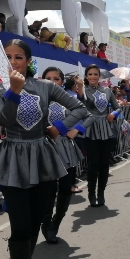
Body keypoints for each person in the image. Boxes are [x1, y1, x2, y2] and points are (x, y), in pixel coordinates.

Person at [0, 39, 89, 259]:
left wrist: (58, 128)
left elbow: (80, 109)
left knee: (38, 220)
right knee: (21, 226)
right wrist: (13, 92)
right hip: (13, 159)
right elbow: (4, 120)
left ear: (28, 61)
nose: (14, 62)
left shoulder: (46, 87)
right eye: (9, 58)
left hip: (42, 159)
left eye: (19, 57)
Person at [40, 67, 86, 243]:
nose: (53, 82)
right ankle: (45, 224)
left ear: (61, 82)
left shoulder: (70, 100)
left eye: (56, 78)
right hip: (45, 149)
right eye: (48, 78)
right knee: (49, 190)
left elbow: (86, 115)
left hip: (66, 148)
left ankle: (55, 223)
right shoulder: (36, 100)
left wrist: (76, 129)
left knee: (66, 189)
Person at [78, 65, 119, 206]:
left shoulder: (107, 91)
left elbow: (118, 107)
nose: (93, 76)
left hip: (106, 130)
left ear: (99, 76)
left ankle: (101, 193)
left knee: (104, 163)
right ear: (86, 76)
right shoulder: (83, 91)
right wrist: (79, 91)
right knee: (94, 163)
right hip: (90, 129)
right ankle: (91, 193)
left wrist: (113, 114)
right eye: (90, 74)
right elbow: (80, 106)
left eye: (95, 74)